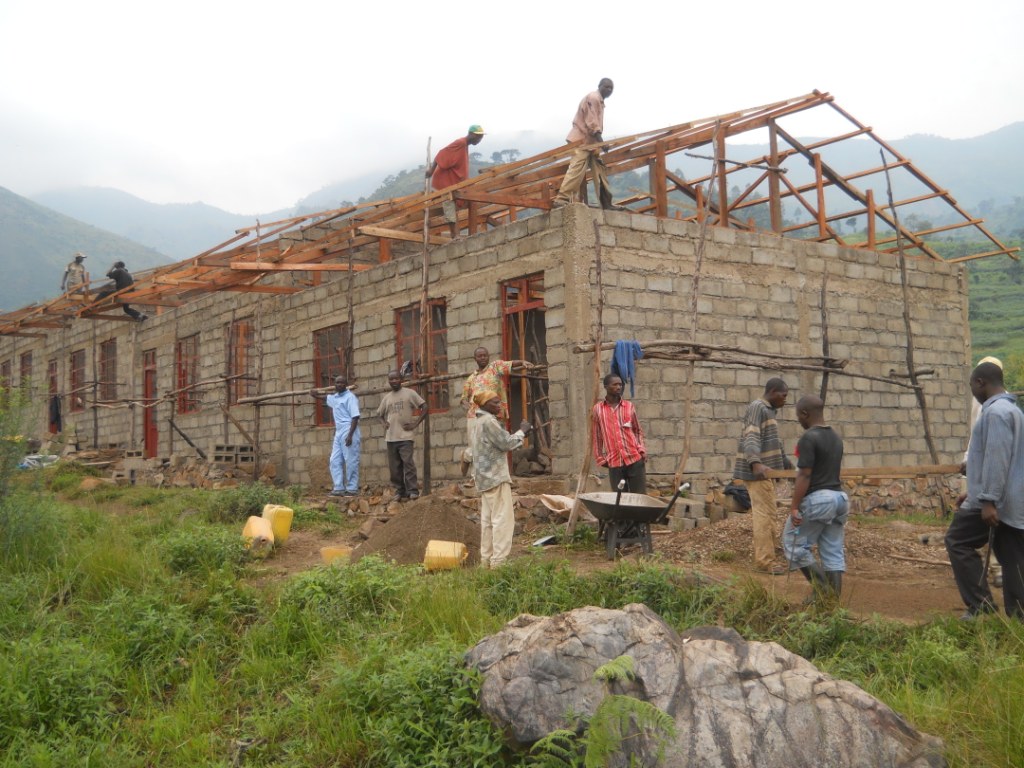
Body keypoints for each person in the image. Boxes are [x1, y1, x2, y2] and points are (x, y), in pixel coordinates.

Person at [945, 361, 1024, 620]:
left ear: (980, 382)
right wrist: (974, 489)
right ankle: (1019, 617)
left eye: (971, 385)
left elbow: (997, 457)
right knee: (1012, 559)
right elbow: (1009, 462)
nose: (972, 391)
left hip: (994, 502)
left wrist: (988, 498)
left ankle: (982, 606)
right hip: (1011, 499)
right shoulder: (1013, 411)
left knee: (957, 540)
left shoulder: (995, 413)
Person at [781, 395, 849, 603]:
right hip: (840, 499)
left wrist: (794, 507)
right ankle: (832, 602)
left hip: (820, 499)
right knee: (832, 550)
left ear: (805, 413)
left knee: (792, 544)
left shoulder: (809, 438)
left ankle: (822, 591)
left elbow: (805, 474)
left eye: (798, 416)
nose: (799, 421)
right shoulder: (835, 437)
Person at [733, 377, 793, 575]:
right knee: (764, 516)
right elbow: (752, 434)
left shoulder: (769, 411)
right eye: (783, 396)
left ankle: (768, 557)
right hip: (759, 473)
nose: (785, 400)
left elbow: (775, 442)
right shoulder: (758, 407)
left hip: (766, 472)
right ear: (773, 391)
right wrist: (755, 462)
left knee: (769, 514)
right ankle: (765, 561)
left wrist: (788, 467)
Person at [470, 389, 532, 568]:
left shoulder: (477, 421)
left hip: (483, 478)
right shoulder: (489, 421)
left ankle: (486, 560)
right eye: (495, 403)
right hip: (495, 476)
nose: (499, 406)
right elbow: (506, 443)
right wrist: (522, 431)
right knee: (502, 521)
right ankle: (498, 563)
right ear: (484, 405)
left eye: (499, 402)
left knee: (488, 522)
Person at [960, 355, 1004, 588]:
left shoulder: (994, 410)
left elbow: (992, 450)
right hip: (980, 473)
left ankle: (994, 571)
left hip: (987, 477)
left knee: (961, 537)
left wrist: (985, 494)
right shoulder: (1001, 408)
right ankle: (996, 570)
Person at [551, 78, 623, 211]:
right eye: (607, 87)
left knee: (600, 170)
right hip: (582, 141)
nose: (609, 90)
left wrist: (598, 143)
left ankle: (606, 202)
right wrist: (602, 143)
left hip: (591, 143)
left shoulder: (600, 102)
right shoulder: (593, 98)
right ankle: (561, 199)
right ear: (599, 86)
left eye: (611, 88)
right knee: (576, 169)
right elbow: (592, 123)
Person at [460, 347, 533, 474]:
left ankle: (500, 475)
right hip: (475, 417)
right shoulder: (471, 378)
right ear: (475, 359)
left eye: (485, 355)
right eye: (480, 356)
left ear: (488, 356)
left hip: (496, 414)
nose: (483, 358)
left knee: (500, 444)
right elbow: (463, 399)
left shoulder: (494, 367)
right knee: (477, 446)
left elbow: (508, 364)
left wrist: (522, 362)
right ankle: (474, 477)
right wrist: (470, 408)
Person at [426, 125, 486, 237]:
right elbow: (441, 154)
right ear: (472, 134)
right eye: (479, 137)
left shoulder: (465, 145)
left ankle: (456, 235)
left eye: (481, 138)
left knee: (455, 205)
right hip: (446, 182)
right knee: (449, 206)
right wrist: (431, 171)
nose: (479, 140)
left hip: (454, 182)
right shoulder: (461, 143)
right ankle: (455, 236)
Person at [591, 373, 647, 493]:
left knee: (640, 498)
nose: (618, 387)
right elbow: (596, 436)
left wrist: (641, 449)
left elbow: (637, 430)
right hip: (614, 463)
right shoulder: (598, 409)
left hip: (634, 460)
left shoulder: (629, 406)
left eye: (620, 384)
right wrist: (600, 458)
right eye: (615, 384)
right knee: (619, 500)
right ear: (606, 386)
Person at [376, 370, 426, 501]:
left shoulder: (409, 393)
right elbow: (379, 414)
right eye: (391, 379)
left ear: (401, 379)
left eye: (396, 379)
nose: (393, 381)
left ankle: (413, 490)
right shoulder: (387, 398)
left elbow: (424, 407)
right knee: (394, 467)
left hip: (405, 437)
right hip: (391, 437)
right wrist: (383, 423)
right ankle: (400, 490)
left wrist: (415, 424)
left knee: (408, 463)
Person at [310, 375, 361, 497]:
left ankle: (352, 488)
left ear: (346, 384)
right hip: (338, 432)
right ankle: (338, 488)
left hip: (349, 429)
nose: (339, 385)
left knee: (350, 460)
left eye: (342, 383)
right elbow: (325, 398)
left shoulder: (350, 397)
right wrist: (314, 394)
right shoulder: (335, 397)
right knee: (334, 460)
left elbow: (355, 417)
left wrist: (350, 435)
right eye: (337, 383)